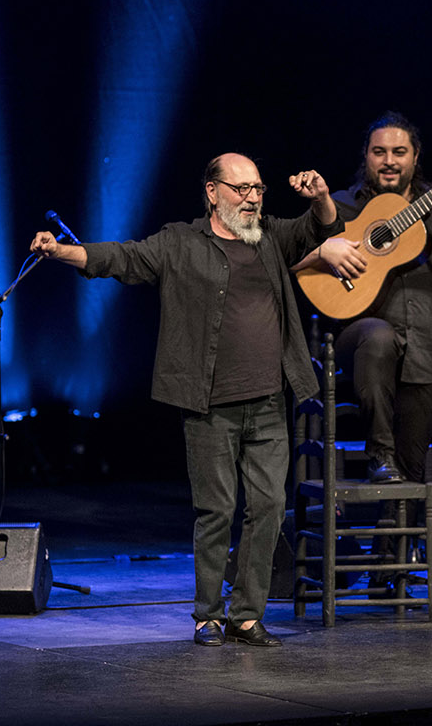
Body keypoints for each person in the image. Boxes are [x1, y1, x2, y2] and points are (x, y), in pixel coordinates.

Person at [30, 153, 338, 647]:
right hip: (208, 402)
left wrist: (322, 198)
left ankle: (246, 614)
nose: (252, 198)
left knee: (269, 505)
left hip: (267, 401)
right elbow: (124, 259)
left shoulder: (272, 238)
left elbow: (317, 230)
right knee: (216, 510)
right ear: (212, 192)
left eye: (258, 188)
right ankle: (208, 615)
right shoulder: (180, 242)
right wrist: (64, 252)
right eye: (241, 189)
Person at [293, 111, 432, 487]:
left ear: (415, 156)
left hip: (425, 347)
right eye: (379, 152)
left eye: (399, 152)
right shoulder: (340, 206)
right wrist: (326, 252)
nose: (389, 161)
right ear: (366, 156)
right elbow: (295, 261)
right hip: (356, 342)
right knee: (378, 336)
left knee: (412, 471)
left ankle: (396, 543)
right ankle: (379, 455)